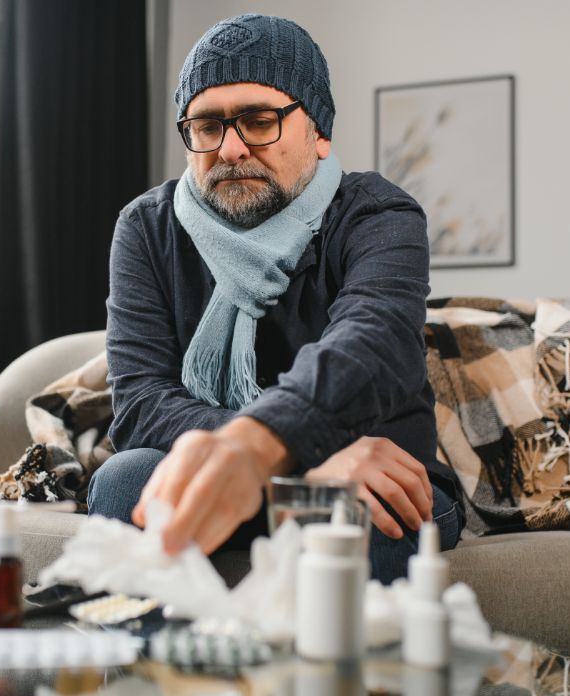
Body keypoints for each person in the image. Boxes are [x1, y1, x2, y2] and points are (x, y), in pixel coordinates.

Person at [87, 13, 464, 582]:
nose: (230, 149)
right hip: (286, 467)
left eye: (259, 121)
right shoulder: (146, 227)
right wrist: (293, 456)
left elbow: (374, 344)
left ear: (318, 132)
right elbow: (140, 403)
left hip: (363, 477)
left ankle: (324, 674)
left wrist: (264, 446)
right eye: (207, 126)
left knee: (371, 511)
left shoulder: (377, 213)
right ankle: (165, 672)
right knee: (124, 478)